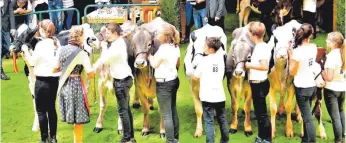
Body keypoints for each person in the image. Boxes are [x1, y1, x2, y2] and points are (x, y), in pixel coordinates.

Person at [93, 23, 136, 143]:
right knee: (126, 110)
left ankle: (127, 139)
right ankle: (130, 138)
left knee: (123, 111)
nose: (106, 35)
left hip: (121, 81)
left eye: (108, 33)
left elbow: (105, 59)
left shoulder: (117, 46)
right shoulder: (118, 42)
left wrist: (104, 47)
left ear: (115, 33)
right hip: (124, 79)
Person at [22, 19, 60, 143]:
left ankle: (44, 139)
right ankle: (53, 137)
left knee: (41, 110)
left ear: (43, 30)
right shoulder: (57, 42)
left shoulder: (41, 45)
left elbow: (32, 62)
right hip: (54, 81)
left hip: (42, 81)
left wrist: (26, 50)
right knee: (51, 108)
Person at [54, 25, 94, 143]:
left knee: (73, 116)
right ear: (80, 36)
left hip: (64, 85)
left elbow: (56, 68)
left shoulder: (61, 49)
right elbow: (90, 74)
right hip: (75, 85)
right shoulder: (81, 53)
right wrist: (97, 66)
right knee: (78, 119)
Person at [148, 24, 180, 143]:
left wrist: (150, 57)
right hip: (174, 80)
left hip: (164, 84)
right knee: (173, 110)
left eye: (159, 33)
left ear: (165, 35)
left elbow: (155, 64)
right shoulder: (175, 46)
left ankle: (170, 141)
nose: (157, 35)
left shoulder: (163, 48)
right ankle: (175, 138)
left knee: (166, 114)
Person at [193, 37, 229, 143]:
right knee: (222, 119)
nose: (204, 47)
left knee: (209, 122)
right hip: (220, 96)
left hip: (207, 96)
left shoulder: (204, 61)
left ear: (211, 50)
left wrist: (195, 84)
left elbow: (195, 77)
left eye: (206, 46)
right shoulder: (221, 61)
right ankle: (225, 141)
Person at [289, 23, 317, 143]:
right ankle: (305, 139)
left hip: (301, 87)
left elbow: (292, 72)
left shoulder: (297, 52)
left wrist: (291, 56)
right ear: (310, 35)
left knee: (307, 118)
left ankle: (311, 140)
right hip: (311, 84)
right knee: (307, 115)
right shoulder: (313, 47)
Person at [245, 21, 272, 143]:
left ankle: (266, 138)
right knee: (259, 112)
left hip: (259, 83)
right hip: (260, 82)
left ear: (252, 35)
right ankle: (261, 136)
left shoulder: (261, 48)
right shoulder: (262, 45)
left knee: (262, 114)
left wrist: (248, 65)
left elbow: (264, 66)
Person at [321, 32, 346, 143]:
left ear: (334, 43)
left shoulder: (331, 56)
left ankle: (338, 140)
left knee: (335, 116)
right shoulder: (343, 54)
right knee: (341, 112)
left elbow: (329, 77)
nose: (326, 41)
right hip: (342, 88)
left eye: (328, 39)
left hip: (331, 89)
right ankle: (343, 134)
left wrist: (322, 73)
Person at [1, 0, 16, 80]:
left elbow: (11, 12)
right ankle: (0, 71)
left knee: (8, 48)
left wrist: (13, 27)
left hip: (5, 26)